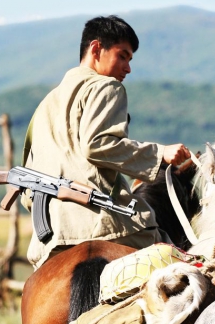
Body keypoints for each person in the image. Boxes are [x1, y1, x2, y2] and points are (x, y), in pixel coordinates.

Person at [23, 15, 190, 268]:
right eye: (122, 56)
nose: (128, 68)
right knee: (177, 260)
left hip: (47, 239)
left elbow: (28, 173)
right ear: (96, 49)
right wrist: (160, 154)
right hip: (100, 226)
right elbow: (97, 145)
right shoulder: (107, 87)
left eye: (130, 59)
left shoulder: (46, 104)